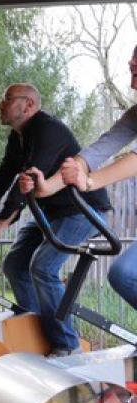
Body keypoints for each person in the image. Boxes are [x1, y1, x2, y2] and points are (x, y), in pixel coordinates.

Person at [0, 83, 111, 357]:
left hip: (83, 211)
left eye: (7, 98)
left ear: (29, 105)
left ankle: (68, 346)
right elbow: (2, 179)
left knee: (43, 267)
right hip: (49, 213)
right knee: (14, 264)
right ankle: (40, 331)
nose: (0, 103)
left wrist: (0, 223)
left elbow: (26, 182)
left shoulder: (49, 130)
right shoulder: (17, 137)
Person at [21, 46, 137, 311]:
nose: (132, 83)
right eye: (130, 72)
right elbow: (94, 154)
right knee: (122, 275)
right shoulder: (135, 115)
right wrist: (46, 187)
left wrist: (90, 182)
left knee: (126, 273)